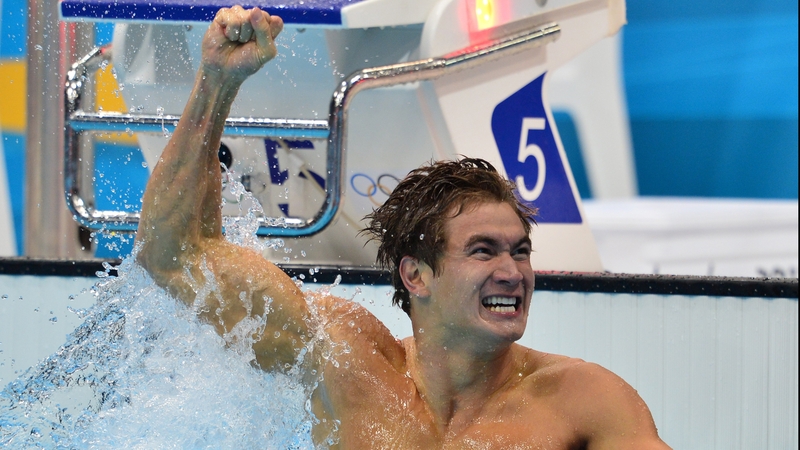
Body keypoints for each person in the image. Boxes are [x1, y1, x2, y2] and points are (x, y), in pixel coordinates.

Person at [137, 6, 670, 448]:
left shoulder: (580, 402)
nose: (513, 272)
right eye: (483, 252)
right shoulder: (344, 360)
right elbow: (174, 255)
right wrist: (216, 82)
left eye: (521, 251)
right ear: (416, 276)